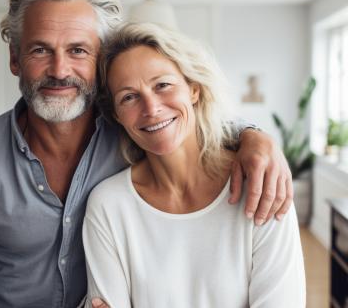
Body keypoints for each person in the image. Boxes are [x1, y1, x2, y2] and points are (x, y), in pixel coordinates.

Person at [0, 0, 294, 308]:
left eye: (78, 50)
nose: (59, 70)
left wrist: (255, 137)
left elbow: (182, 119)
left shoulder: (133, 128)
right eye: (39, 50)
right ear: (15, 58)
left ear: (99, 62)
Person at [83, 22, 305, 308]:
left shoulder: (261, 185)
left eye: (162, 85)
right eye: (129, 97)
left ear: (194, 90)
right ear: (116, 115)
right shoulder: (108, 205)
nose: (151, 109)